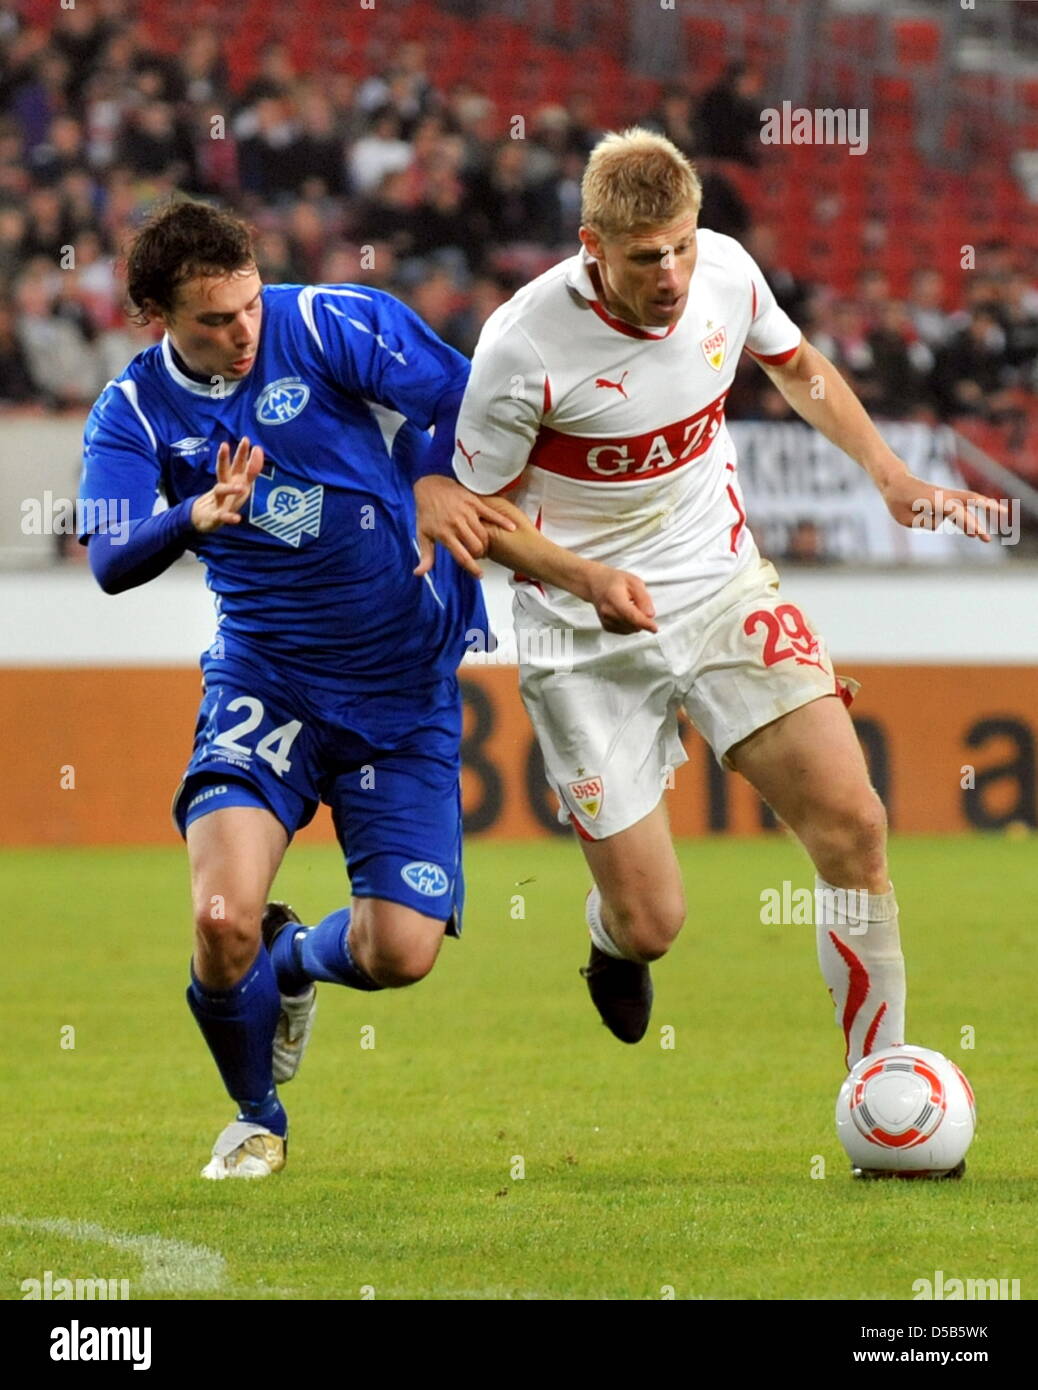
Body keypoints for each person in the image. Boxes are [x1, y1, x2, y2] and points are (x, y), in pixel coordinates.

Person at [418, 130, 1003, 1175]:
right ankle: (610, 938)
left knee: (854, 822)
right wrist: (586, 579)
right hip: (579, 625)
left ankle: (879, 1097)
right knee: (656, 921)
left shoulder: (728, 272)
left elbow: (799, 366)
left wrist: (888, 476)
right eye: (646, 257)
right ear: (592, 245)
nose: (672, 275)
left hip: (719, 584)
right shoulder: (523, 348)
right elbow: (476, 516)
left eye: (682, 246)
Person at [78, 198, 513, 1180]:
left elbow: (469, 396)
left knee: (401, 951)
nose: (242, 331)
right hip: (267, 683)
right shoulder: (135, 411)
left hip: (402, 686)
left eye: (245, 306)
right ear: (156, 317)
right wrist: (192, 514)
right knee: (222, 917)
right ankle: (257, 1115)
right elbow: (107, 557)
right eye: (214, 321)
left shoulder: (325, 321)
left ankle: (296, 963)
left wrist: (431, 479)